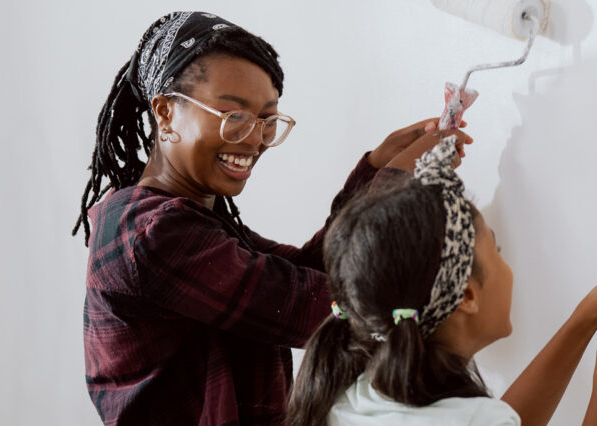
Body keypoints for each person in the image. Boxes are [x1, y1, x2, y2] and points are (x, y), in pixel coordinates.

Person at [73, 11, 471, 425]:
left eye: (267, 120)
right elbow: (318, 309)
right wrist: (393, 186)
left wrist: (375, 171)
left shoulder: (185, 223)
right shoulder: (152, 234)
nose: (254, 139)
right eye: (235, 116)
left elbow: (303, 276)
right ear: (166, 113)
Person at [287, 139, 597, 426]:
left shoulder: (353, 391)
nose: (508, 264)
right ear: (469, 295)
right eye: (499, 250)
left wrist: (587, 317)